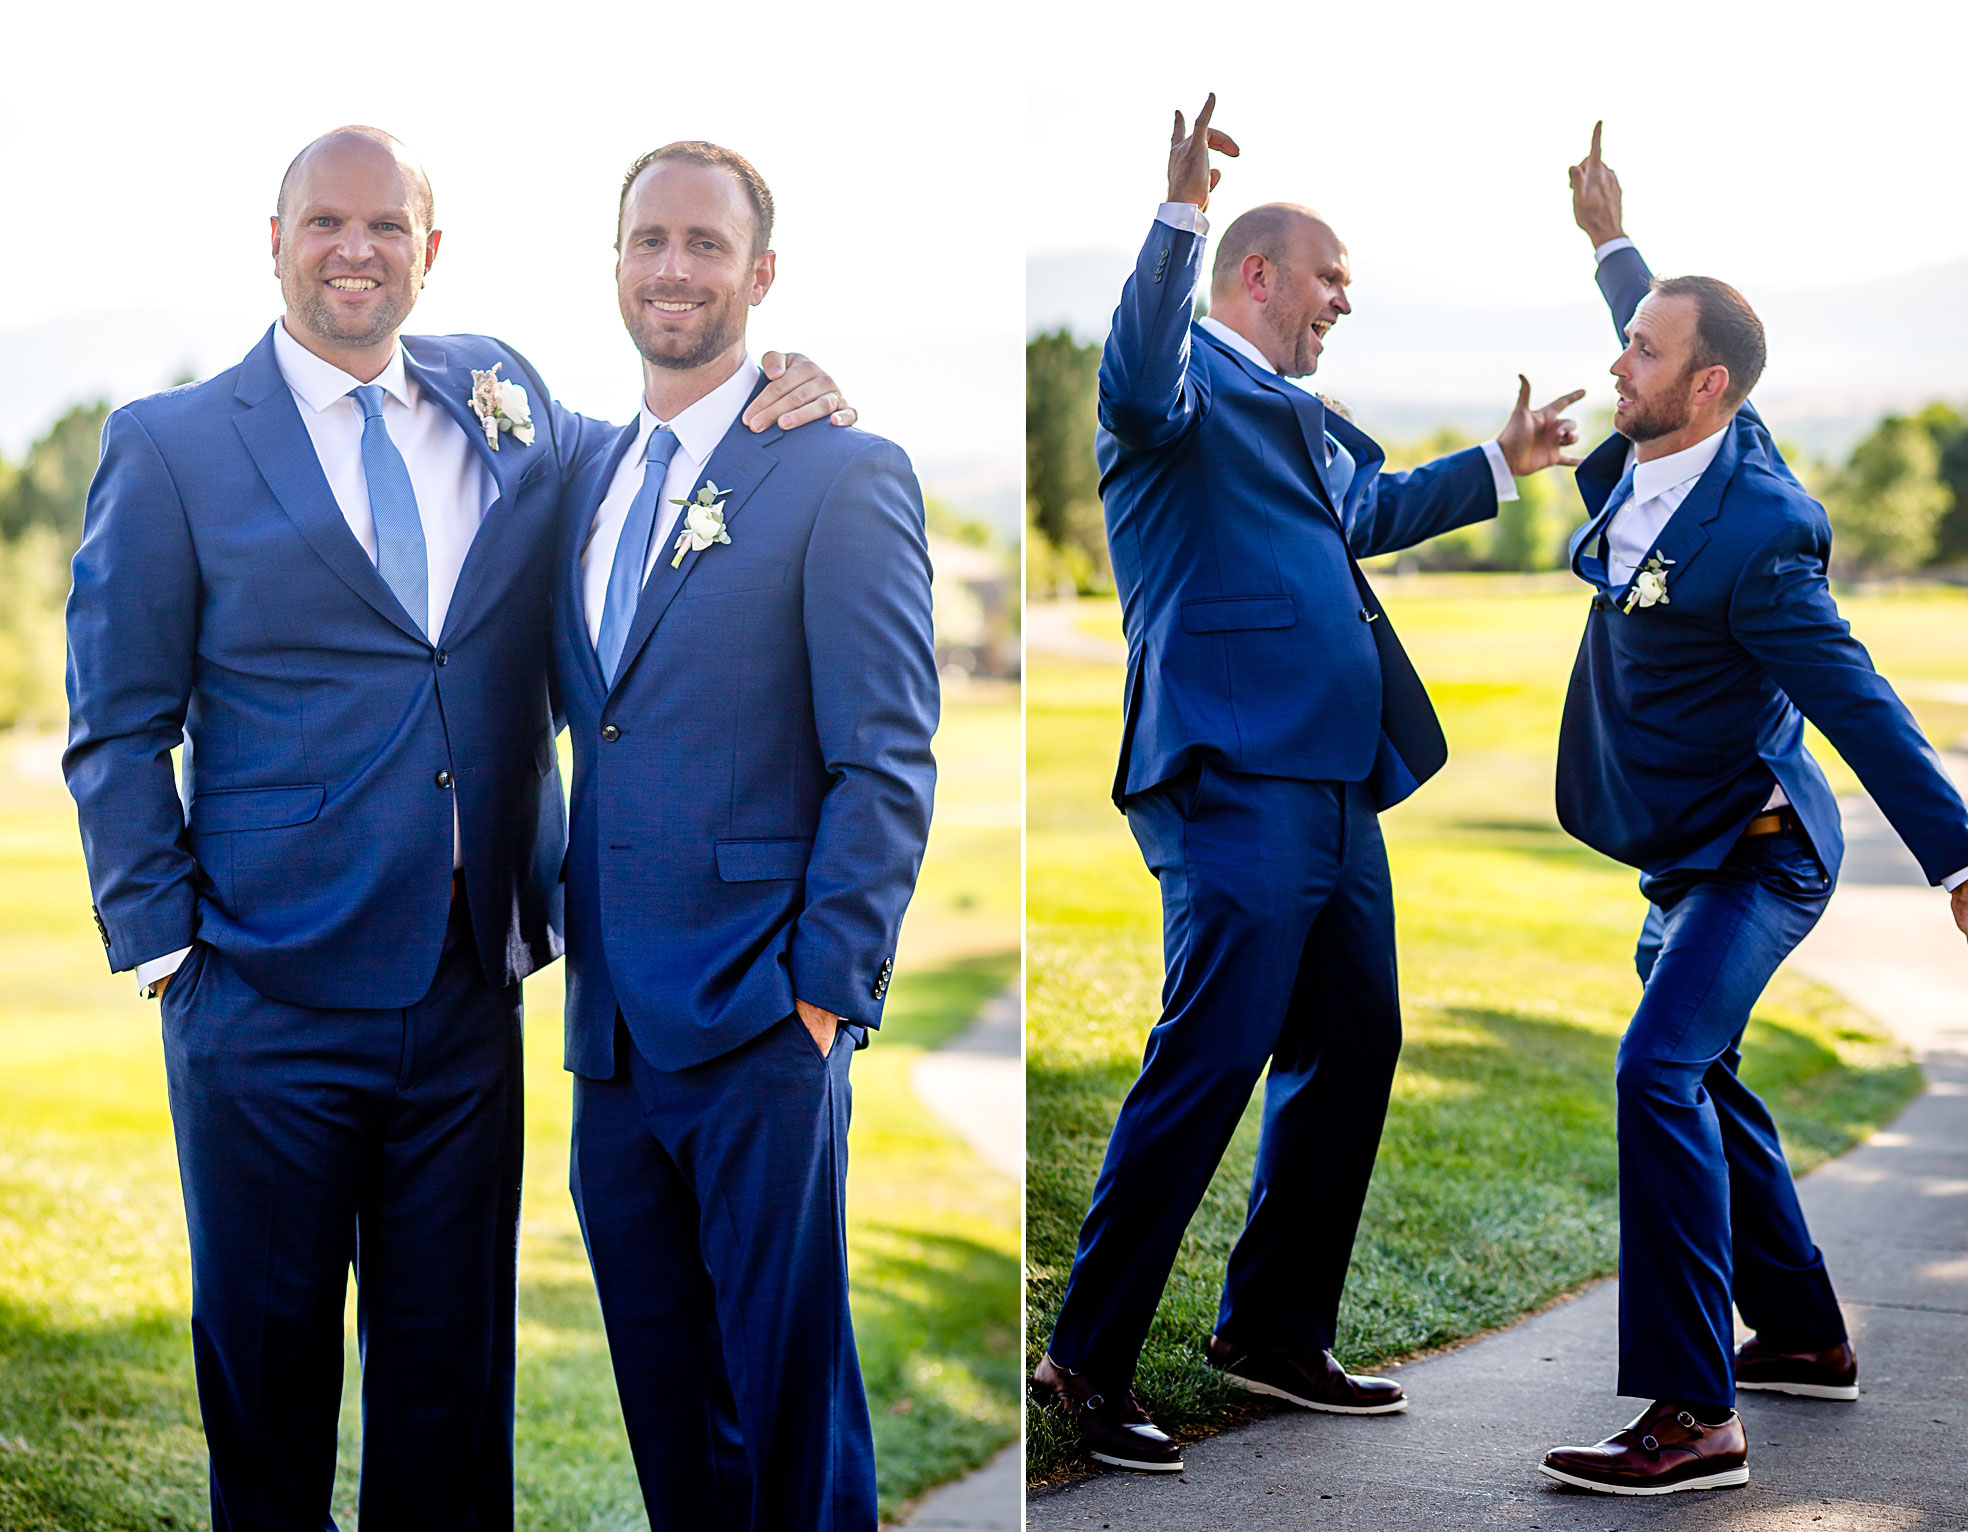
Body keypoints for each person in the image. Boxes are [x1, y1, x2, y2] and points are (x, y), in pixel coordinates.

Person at [62, 125, 849, 1525]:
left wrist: (781, 385)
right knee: (269, 1380)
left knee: (449, 1391)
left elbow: (657, 474)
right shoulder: (170, 445)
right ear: (276, 238)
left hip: (469, 997)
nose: (354, 249)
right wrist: (169, 955)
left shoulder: (510, 400)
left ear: (433, 250)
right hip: (260, 1002)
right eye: (326, 222)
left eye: (386, 226)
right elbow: (116, 724)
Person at [1029, 94, 1585, 1473]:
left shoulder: (1308, 414)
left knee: (1359, 1038)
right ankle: (1084, 1360)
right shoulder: (1173, 389)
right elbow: (1138, 358)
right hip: (1230, 766)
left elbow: (1370, 511)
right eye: (1329, 276)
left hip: (1340, 783)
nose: (1347, 298)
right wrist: (1178, 216)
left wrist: (1497, 471)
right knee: (1212, 1053)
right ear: (1257, 276)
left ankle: (1273, 1332)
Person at [1536, 124, 1968, 1498]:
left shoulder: (1761, 531)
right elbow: (1672, 331)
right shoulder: (1688, 417)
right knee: (1705, 1074)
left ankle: (1695, 1417)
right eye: (1622, 338)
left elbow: (1862, 702)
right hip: (1680, 851)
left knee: (1656, 1070)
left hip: (1760, 856)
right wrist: (1609, 242)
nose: (1613, 361)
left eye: (1640, 351)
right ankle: (1808, 1339)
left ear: (1704, 388)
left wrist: (1966, 868)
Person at [554, 140, 940, 1532]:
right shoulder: (582, 477)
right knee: (670, 1415)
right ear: (614, 265)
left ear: (759, 275)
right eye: (649, 240)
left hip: (762, 1027)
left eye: (706, 245)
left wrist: (825, 999)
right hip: (607, 1043)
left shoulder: (841, 471)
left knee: (788, 1416)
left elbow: (886, 755)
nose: (674, 268)